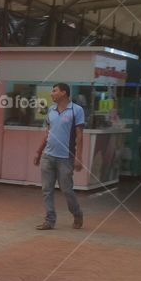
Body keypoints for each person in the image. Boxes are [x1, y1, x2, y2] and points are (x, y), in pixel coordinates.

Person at [34, 83, 84, 230]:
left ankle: (77, 213)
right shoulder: (51, 110)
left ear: (63, 93)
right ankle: (49, 220)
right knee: (46, 189)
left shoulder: (77, 110)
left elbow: (80, 136)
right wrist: (38, 151)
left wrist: (78, 157)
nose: (51, 93)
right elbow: (48, 133)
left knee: (66, 189)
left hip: (65, 158)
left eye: (54, 91)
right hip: (48, 156)